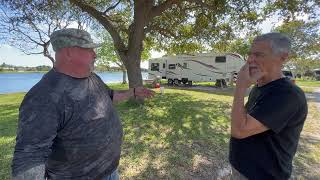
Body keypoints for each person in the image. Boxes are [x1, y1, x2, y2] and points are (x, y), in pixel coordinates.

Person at [11, 28, 155, 180]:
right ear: (69, 52)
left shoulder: (92, 78)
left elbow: (109, 96)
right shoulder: (44, 97)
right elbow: (29, 157)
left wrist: (133, 92)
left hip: (110, 170)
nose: (95, 54)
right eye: (89, 49)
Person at [229, 33, 308, 179]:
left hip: (263, 174)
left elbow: (239, 130)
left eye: (258, 55)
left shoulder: (288, 95)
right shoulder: (259, 86)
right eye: (250, 54)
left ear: (282, 57)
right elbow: (244, 117)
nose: (250, 60)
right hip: (242, 168)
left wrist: (240, 86)